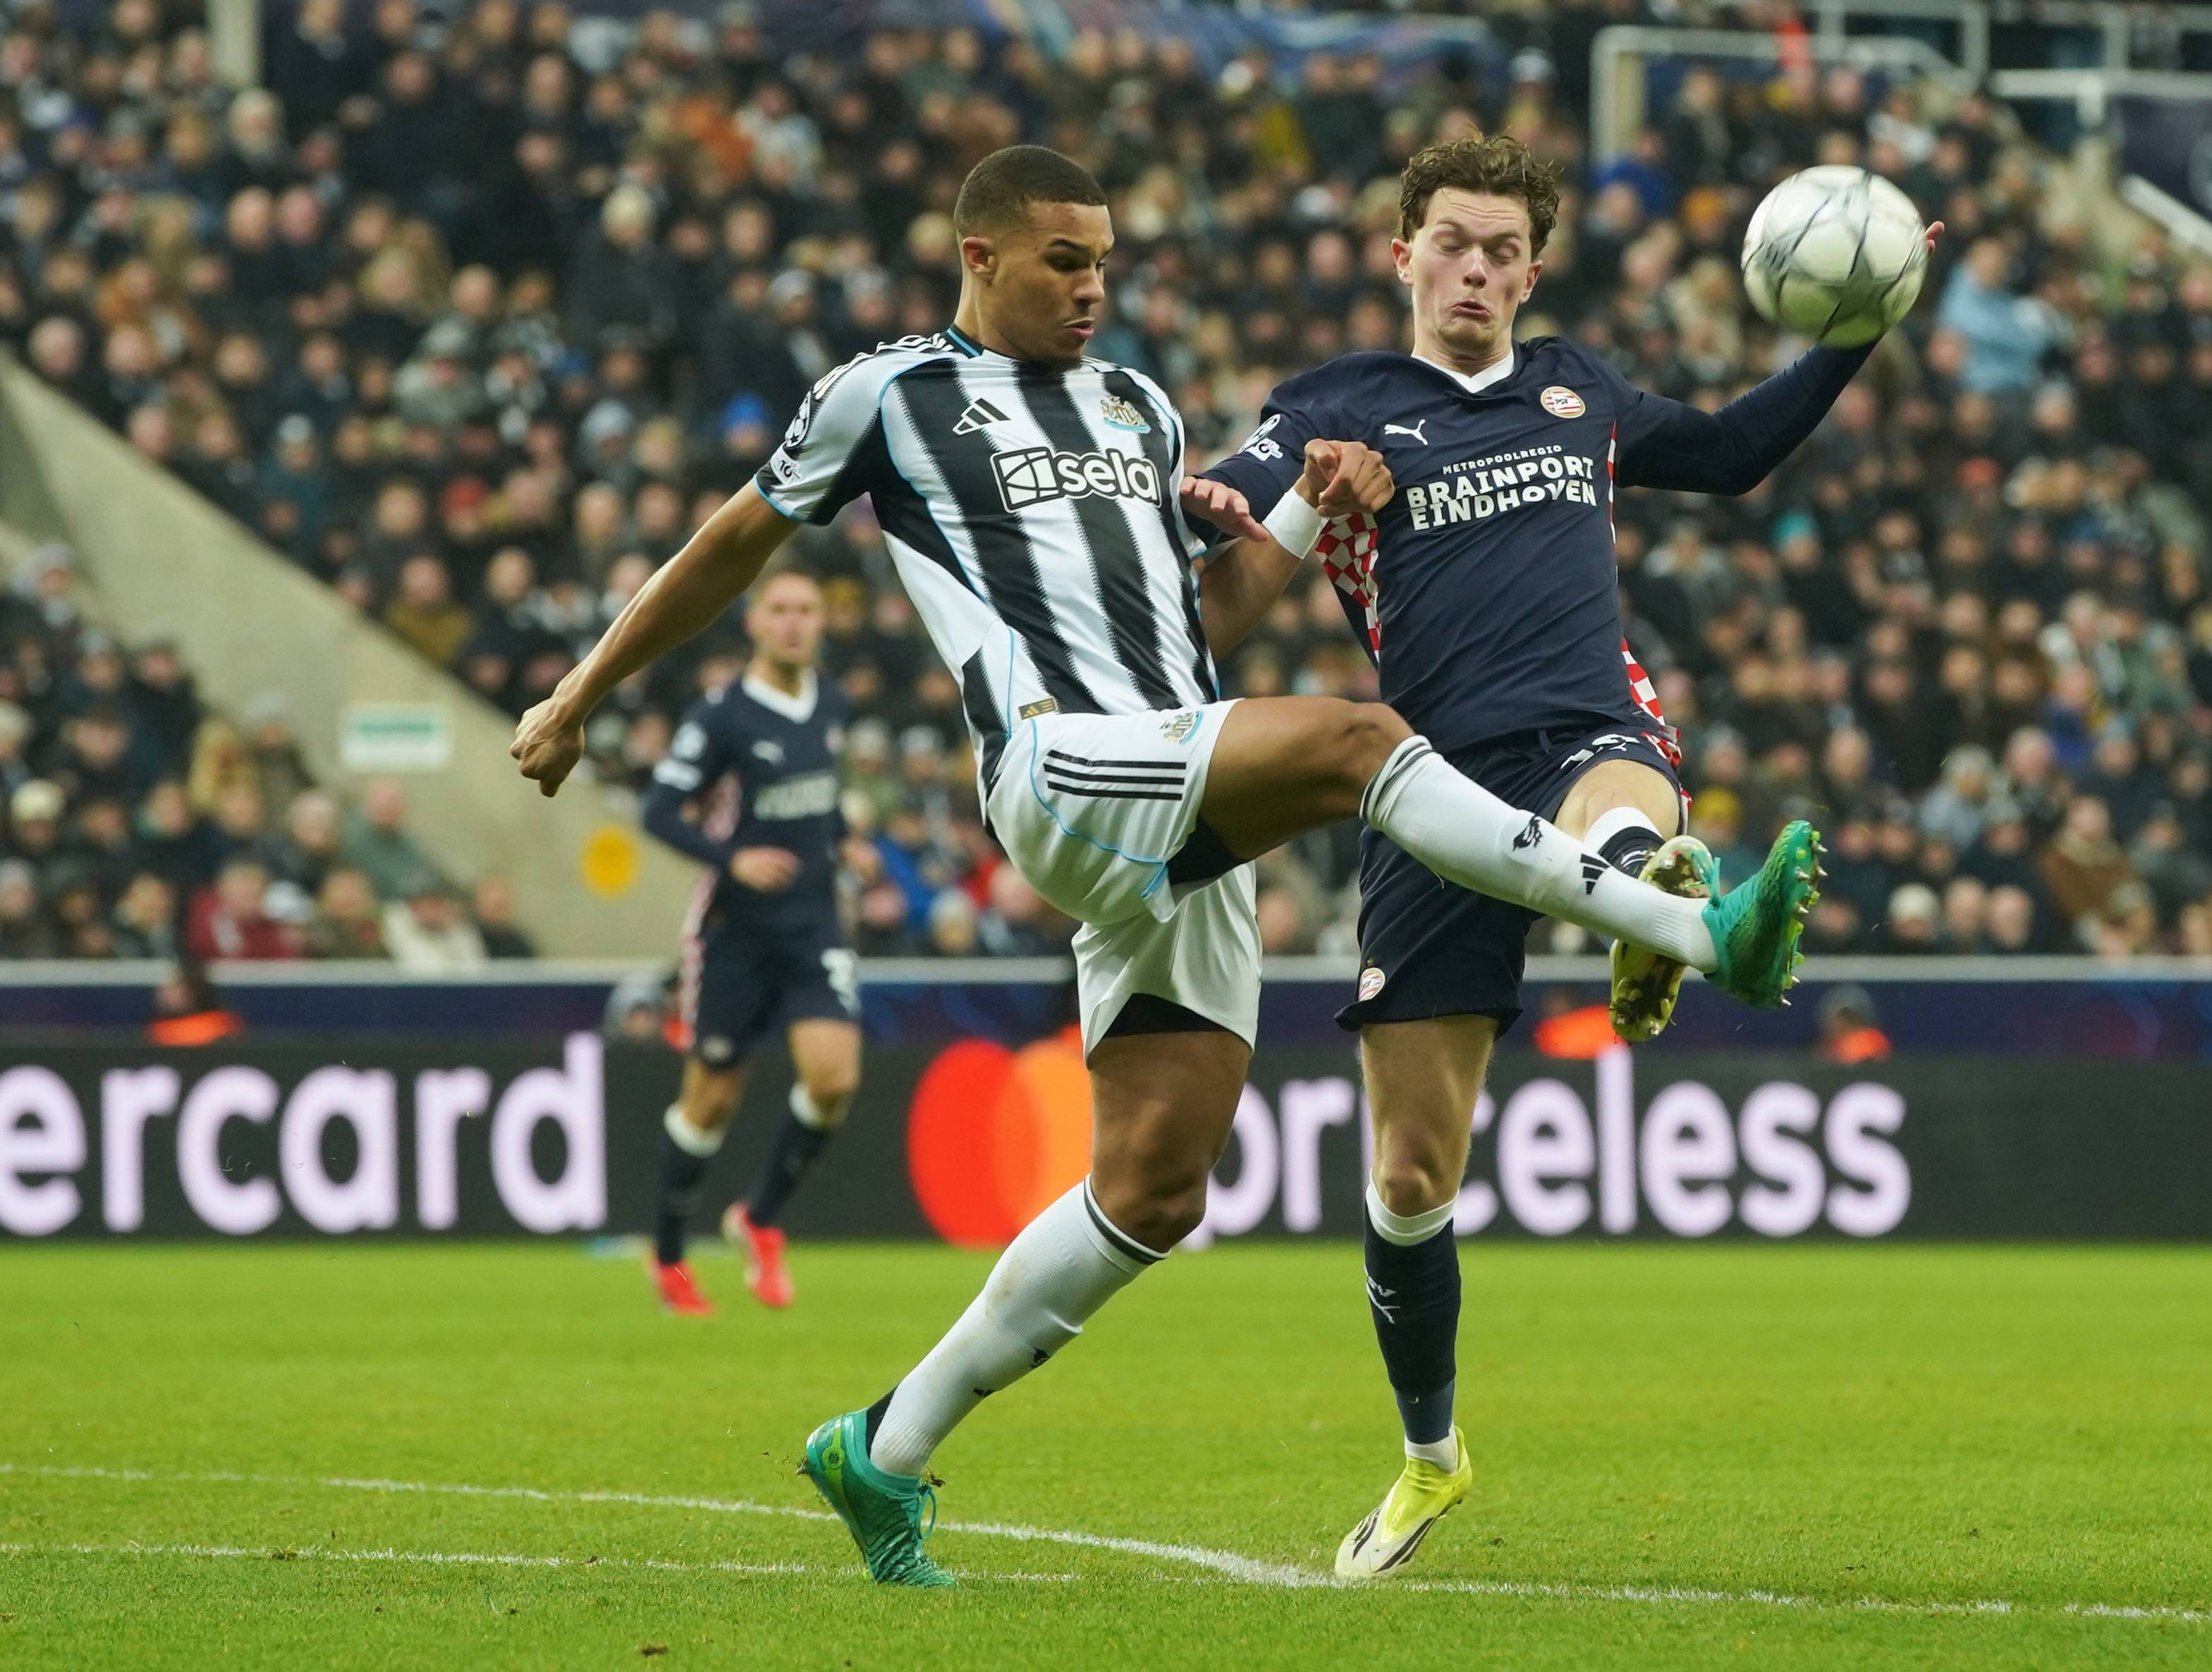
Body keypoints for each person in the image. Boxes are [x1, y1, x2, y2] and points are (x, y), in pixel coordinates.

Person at [510, 145, 1815, 1589]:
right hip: (1058, 764)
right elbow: (733, 542)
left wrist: (1315, 504)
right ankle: (1688, 929)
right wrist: (581, 693)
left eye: (1107, 262)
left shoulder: (1135, 407)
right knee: (1353, 741)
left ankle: (877, 1453)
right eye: (1065, 261)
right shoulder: (885, 395)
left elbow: (1207, 632)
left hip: (1170, 767)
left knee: (1152, 1189)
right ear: (981, 255)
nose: (1093, 287)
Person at [1198, 133, 1924, 1578]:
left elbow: (1724, 453)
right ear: (1400, 254)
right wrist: (1248, 498)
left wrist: (1850, 334)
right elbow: (1223, 558)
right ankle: (1428, 1459)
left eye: (1502, 250)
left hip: (1583, 718)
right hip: (1424, 782)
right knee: (1409, 1175)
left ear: (1532, 269)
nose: (1476, 269)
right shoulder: (1334, 406)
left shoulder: (1575, 387)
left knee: (1622, 787)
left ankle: (1664, 897)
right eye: (1451, 243)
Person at [635, 566, 860, 1316]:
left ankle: (759, 1217)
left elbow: (818, 805)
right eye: (781, 610)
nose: (795, 622)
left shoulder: (830, 700)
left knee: (832, 1078)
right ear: (754, 623)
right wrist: (733, 857)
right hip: (733, 930)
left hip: (811, 923)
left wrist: (844, 844)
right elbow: (658, 810)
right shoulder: (722, 715)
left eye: (808, 609)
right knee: (711, 1099)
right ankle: (668, 1255)